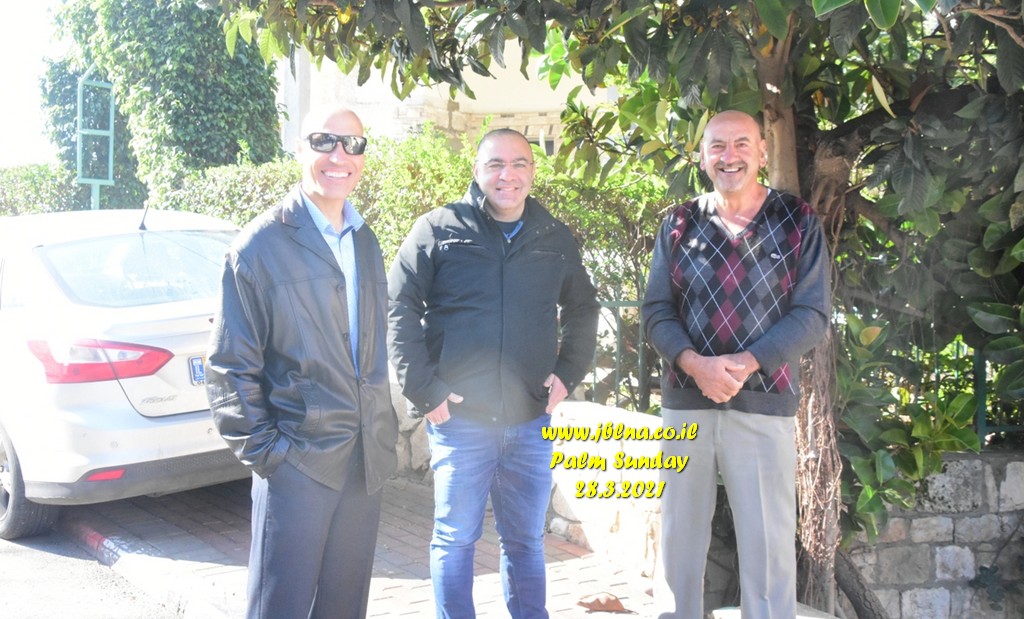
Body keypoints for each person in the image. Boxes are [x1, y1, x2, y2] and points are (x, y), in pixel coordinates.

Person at [387, 128, 600, 619]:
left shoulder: (553, 236)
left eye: (519, 163)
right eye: (496, 164)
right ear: (477, 170)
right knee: (455, 539)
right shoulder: (438, 229)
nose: (508, 175)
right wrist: (424, 390)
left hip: (529, 419)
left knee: (524, 541)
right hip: (460, 420)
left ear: (533, 171)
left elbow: (583, 308)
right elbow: (399, 306)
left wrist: (568, 372)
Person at [205, 106, 398, 619]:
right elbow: (229, 368)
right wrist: (273, 457)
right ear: (298, 147)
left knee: (344, 609)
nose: (339, 155)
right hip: (297, 465)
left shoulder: (365, 240)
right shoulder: (257, 247)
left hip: (364, 462)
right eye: (324, 141)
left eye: (353, 144)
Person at [641, 110, 831, 619]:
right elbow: (656, 310)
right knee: (679, 540)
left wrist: (746, 364)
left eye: (742, 144)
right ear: (702, 157)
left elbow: (812, 314)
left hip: (764, 403)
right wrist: (694, 364)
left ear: (762, 152)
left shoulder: (797, 220)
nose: (730, 156)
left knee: (769, 548)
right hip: (687, 404)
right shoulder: (678, 224)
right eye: (718, 146)